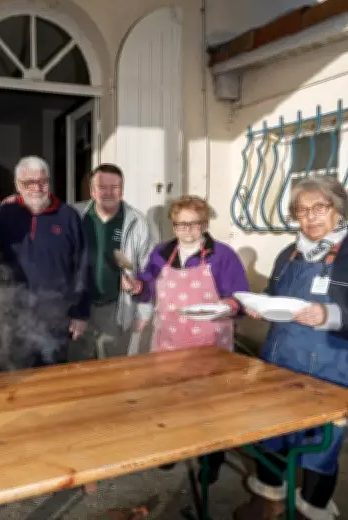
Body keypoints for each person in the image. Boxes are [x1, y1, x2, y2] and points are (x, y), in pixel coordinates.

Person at [234, 176, 348, 520]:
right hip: (280, 361)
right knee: (272, 433)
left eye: (319, 208)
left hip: (334, 367)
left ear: (338, 209)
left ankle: (310, 510)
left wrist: (334, 314)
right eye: (301, 210)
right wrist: (261, 303)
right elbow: (276, 292)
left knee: (320, 446)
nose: (310, 217)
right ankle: (269, 501)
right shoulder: (290, 252)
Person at [123, 194, 249, 486]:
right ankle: (172, 448)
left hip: (209, 343)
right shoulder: (160, 253)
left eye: (194, 224)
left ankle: (211, 459)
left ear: (205, 224)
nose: (187, 230)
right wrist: (135, 285)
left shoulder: (223, 255)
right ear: (173, 225)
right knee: (168, 400)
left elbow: (240, 297)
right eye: (181, 225)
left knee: (209, 405)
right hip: (168, 341)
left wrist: (227, 305)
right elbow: (146, 287)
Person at [0, 156, 91, 367]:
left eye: (43, 181)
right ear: (18, 185)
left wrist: (81, 313)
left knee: (53, 377)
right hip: (13, 316)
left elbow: (82, 266)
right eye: (29, 182)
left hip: (56, 316)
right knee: (15, 376)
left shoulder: (68, 216)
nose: (37, 187)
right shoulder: (3, 215)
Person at [71, 163, 154, 361]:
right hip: (77, 308)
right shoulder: (74, 216)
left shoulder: (137, 222)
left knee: (113, 371)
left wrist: (144, 312)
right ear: (92, 190)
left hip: (116, 308)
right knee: (76, 371)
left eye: (114, 187)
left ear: (122, 190)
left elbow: (147, 269)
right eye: (102, 187)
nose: (108, 192)